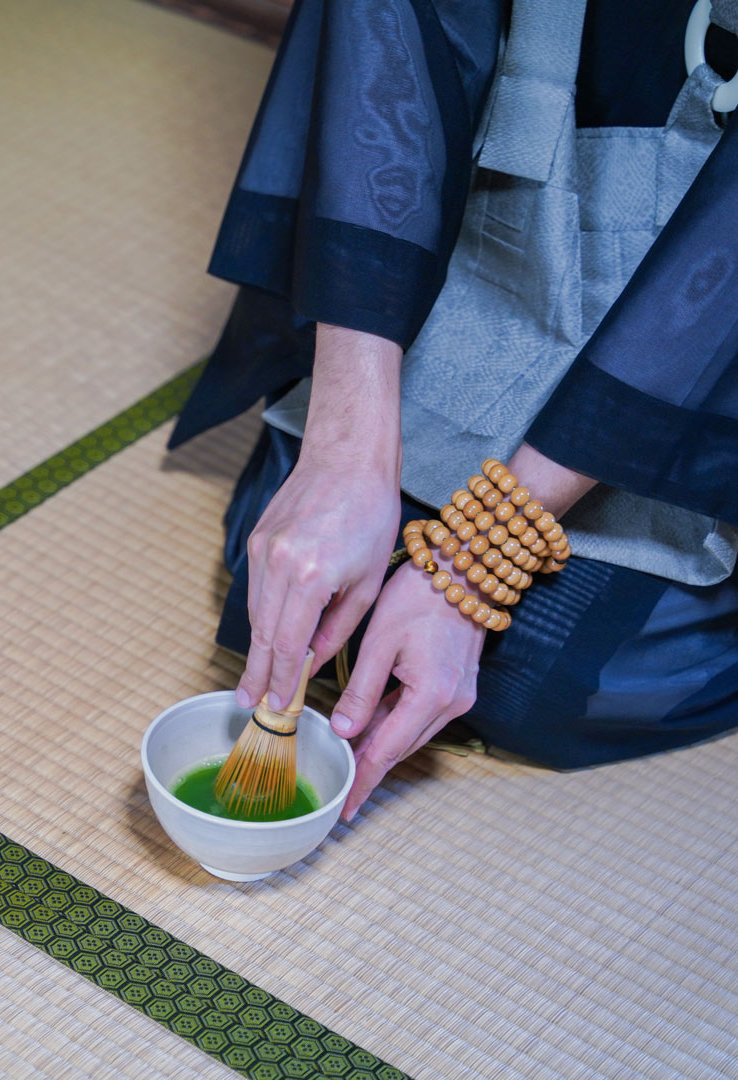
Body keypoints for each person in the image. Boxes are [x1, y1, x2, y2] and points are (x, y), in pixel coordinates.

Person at [170, 0, 738, 821]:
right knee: (300, 580)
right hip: (534, 159)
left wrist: (475, 559)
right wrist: (343, 455)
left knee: (538, 679)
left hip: (707, 301)